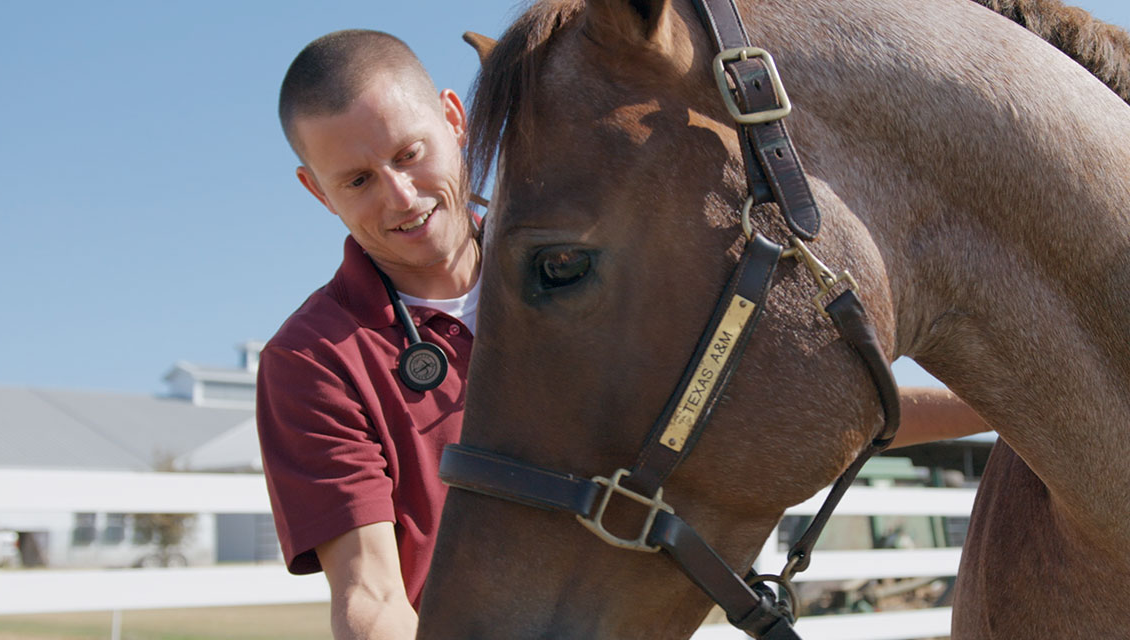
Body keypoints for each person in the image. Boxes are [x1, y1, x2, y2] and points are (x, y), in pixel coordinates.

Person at [256, 29, 991, 640]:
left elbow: (787, 405)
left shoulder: (593, 277)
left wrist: (998, 410)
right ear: (314, 190)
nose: (401, 197)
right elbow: (370, 595)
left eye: (408, 154)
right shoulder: (315, 361)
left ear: (455, 118)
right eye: (356, 180)